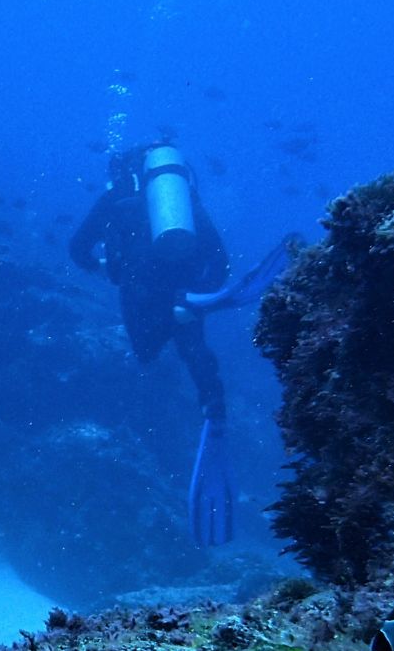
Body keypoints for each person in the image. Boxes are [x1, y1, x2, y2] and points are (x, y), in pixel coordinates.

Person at [68, 142, 290, 547]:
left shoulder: (115, 197)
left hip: (139, 295)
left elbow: (77, 249)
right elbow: (219, 261)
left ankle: (150, 427)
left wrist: (105, 267)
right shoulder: (184, 201)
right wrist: (196, 294)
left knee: (148, 360)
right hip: (183, 293)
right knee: (193, 350)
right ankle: (214, 407)